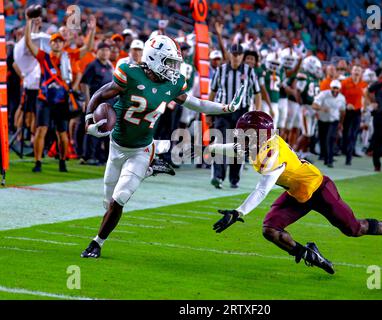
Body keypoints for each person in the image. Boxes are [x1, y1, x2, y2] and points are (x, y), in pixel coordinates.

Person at [80, 35, 244, 258]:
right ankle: (151, 167)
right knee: (107, 200)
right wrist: (90, 118)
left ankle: (97, 243)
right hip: (116, 146)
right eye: (169, 62)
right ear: (154, 58)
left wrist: (226, 108)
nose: (174, 69)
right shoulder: (130, 72)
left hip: (141, 149)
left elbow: (197, 103)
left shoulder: (172, 83)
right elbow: (101, 93)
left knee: (120, 198)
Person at [210, 111, 382, 275]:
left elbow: (263, 188)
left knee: (354, 229)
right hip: (297, 193)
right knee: (270, 230)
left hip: (318, 189)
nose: (240, 137)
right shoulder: (259, 143)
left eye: (246, 134)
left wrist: (239, 212)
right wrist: (211, 148)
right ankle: (309, 254)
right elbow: (236, 149)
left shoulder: (271, 155)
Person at [24, 15, 74, 173]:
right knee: (41, 130)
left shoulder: (67, 57)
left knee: (63, 133)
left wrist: (92, 31)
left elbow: (86, 48)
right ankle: (38, 162)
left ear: (63, 43)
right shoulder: (43, 57)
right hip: (44, 99)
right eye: (54, 41)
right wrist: (28, 23)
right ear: (50, 43)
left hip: (61, 100)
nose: (57, 43)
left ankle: (62, 160)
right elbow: (28, 43)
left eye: (60, 41)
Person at [208, 43, 261, 189]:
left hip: (242, 113)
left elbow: (257, 94)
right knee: (221, 143)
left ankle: (234, 178)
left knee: (238, 147)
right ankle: (218, 177)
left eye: (239, 54)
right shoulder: (221, 70)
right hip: (223, 111)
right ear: (230, 54)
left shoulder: (249, 71)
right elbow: (212, 92)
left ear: (242, 56)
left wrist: (257, 113)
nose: (236, 57)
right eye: (234, 54)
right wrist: (208, 112)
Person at [79, 42, 114, 165]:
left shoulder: (110, 66)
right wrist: (88, 101)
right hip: (96, 102)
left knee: (105, 130)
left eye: (107, 50)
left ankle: (100, 156)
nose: (105, 52)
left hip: (108, 103)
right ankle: (88, 156)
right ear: (97, 51)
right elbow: (84, 83)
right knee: (93, 129)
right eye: (102, 50)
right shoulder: (93, 65)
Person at [312, 80, 346, 167]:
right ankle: (325, 157)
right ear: (331, 88)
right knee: (323, 139)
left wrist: (341, 123)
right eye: (334, 88)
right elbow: (314, 105)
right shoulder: (323, 94)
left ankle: (330, 160)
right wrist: (322, 108)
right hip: (322, 120)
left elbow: (342, 112)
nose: (335, 90)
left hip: (334, 121)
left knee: (330, 139)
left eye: (337, 88)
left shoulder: (341, 98)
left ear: (339, 89)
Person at [340, 65, 367, 165]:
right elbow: (339, 96)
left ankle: (349, 157)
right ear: (351, 71)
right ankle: (344, 150)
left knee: (353, 134)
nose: (356, 72)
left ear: (361, 73)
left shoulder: (363, 84)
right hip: (346, 111)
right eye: (355, 69)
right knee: (346, 134)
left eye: (359, 70)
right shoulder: (345, 82)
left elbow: (365, 97)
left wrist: (365, 107)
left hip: (357, 112)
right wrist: (346, 104)